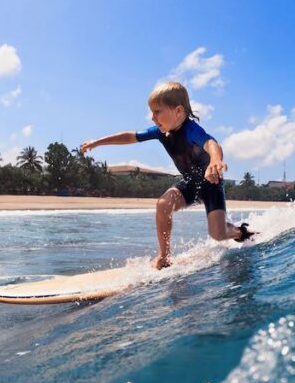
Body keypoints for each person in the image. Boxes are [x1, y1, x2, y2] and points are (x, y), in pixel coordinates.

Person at [80, 81, 254, 270]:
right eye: (152, 112)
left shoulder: (191, 130)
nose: (153, 118)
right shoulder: (161, 132)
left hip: (210, 185)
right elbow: (131, 136)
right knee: (163, 204)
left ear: (178, 111)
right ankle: (164, 257)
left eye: (157, 112)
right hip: (189, 183)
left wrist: (215, 160)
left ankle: (240, 231)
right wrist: (97, 142)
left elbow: (211, 143)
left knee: (218, 234)